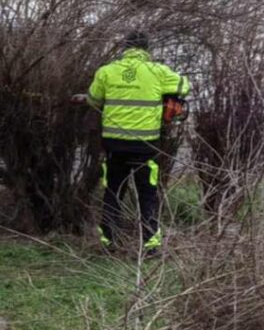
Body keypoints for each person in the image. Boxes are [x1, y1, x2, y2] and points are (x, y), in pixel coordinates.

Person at [75, 32, 189, 253]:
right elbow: (183, 86)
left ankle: (109, 242)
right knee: (147, 194)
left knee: (113, 191)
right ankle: (150, 244)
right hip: (145, 145)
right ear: (147, 50)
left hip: (114, 144)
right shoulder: (158, 71)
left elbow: (94, 99)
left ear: (125, 48)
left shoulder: (107, 71)